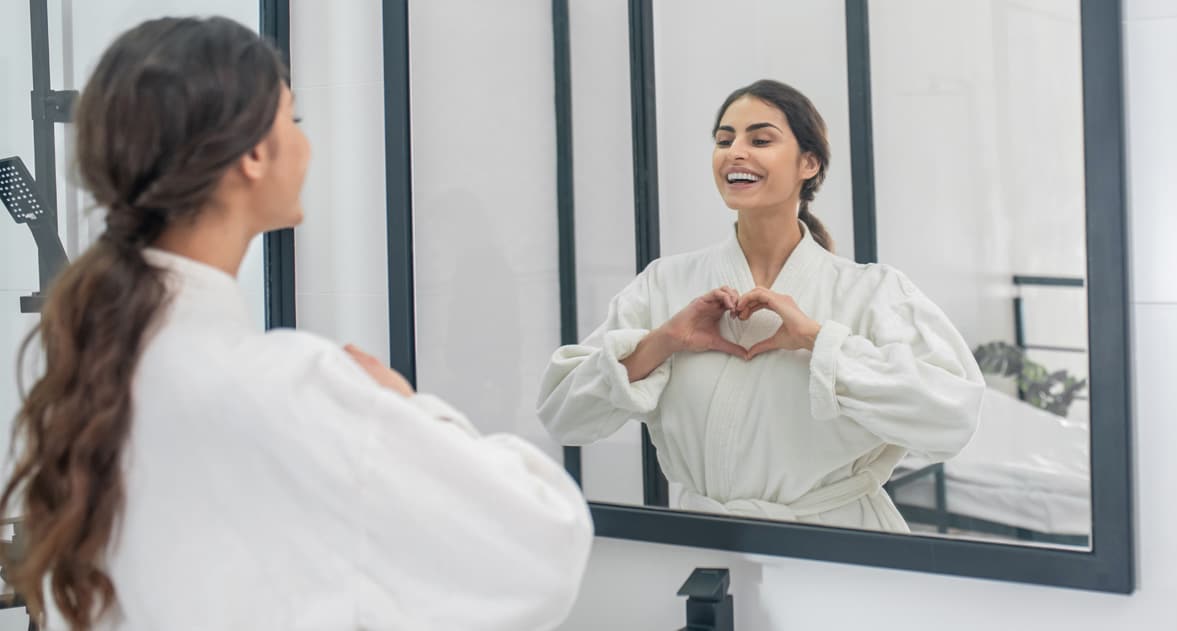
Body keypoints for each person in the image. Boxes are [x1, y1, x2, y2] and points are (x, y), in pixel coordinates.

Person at [0, 16, 591, 631]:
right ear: (254, 154)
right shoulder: (287, 387)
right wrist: (408, 408)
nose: (306, 145)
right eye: (294, 120)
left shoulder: (89, 368)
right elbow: (546, 545)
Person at [537, 79, 984, 532]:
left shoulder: (872, 292)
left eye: (760, 139)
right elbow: (562, 415)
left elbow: (952, 419)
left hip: (841, 552)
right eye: (724, 140)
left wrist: (818, 341)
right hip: (703, 545)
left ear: (808, 163)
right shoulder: (665, 284)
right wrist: (664, 341)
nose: (735, 152)